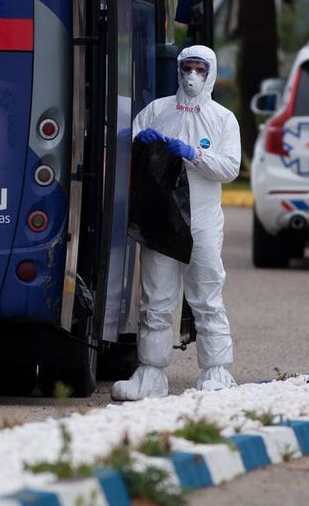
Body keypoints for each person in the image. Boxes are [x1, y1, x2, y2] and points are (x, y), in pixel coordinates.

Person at [111, 44, 241, 400]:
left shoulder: (222, 119)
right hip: (162, 218)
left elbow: (229, 167)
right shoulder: (157, 110)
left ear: (211, 73)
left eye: (200, 69)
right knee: (156, 299)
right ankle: (150, 374)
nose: (192, 76)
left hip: (202, 219)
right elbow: (129, 143)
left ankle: (215, 372)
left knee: (207, 295)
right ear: (178, 70)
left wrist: (193, 154)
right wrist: (140, 140)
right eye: (187, 68)